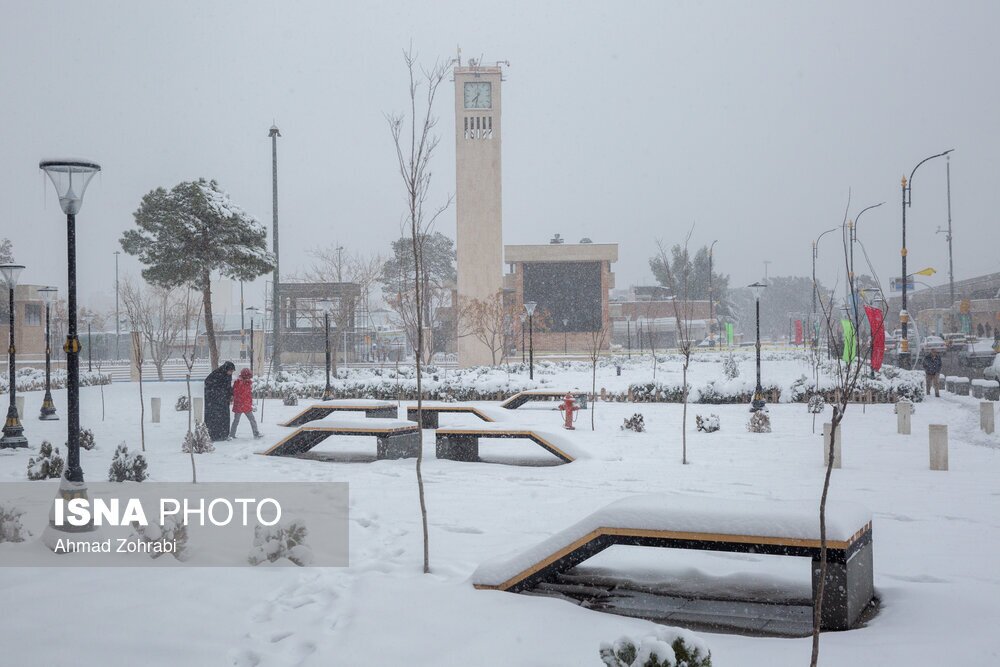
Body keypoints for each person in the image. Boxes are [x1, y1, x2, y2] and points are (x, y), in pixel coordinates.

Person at [204, 361, 236, 441]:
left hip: (223, 400)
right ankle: (214, 435)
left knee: (224, 418)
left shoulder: (228, 376)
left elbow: (227, 386)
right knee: (214, 419)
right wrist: (219, 392)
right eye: (230, 370)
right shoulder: (216, 374)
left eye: (232, 371)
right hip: (213, 401)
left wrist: (231, 394)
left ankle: (224, 435)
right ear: (226, 369)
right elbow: (208, 383)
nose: (231, 372)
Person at [230, 368, 262, 439]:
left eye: (249, 377)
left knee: (252, 419)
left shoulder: (248, 383)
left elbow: (248, 395)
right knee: (236, 421)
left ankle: (256, 433)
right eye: (247, 377)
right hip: (240, 405)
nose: (248, 379)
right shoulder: (238, 383)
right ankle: (232, 434)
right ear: (244, 376)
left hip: (246, 405)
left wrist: (251, 403)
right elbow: (236, 393)